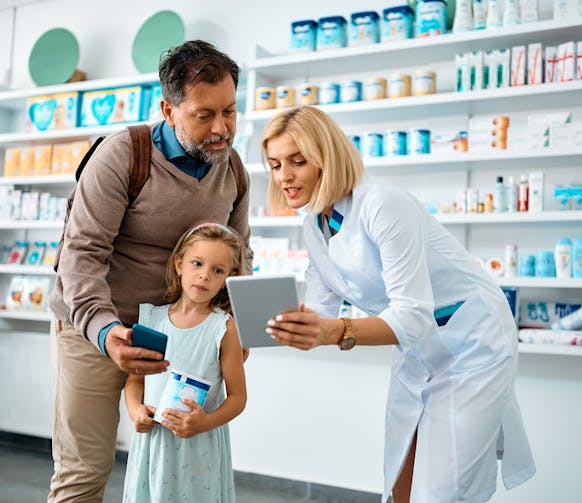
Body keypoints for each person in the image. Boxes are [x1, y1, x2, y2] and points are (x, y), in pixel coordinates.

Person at [261, 106, 535, 503]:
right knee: (400, 479)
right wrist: (280, 324)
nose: (283, 176)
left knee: (443, 491)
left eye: (297, 161)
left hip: (473, 343)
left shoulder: (383, 204)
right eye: (274, 164)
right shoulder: (314, 225)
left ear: (327, 158)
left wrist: (334, 333)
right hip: (417, 348)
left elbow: (410, 312)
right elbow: (321, 315)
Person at [48, 40, 252, 503]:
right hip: (94, 326)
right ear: (168, 108)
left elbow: (240, 258)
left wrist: (239, 331)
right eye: (204, 115)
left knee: (173, 470)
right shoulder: (123, 155)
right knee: (83, 473)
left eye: (231, 111)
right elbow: (81, 256)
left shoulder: (233, 169)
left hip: (176, 334)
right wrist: (106, 333)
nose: (221, 128)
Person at [122, 222, 247, 502]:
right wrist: (135, 411)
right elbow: (134, 380)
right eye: (197, 263)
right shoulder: (151, 319)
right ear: (179, 264)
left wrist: (204, 423)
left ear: (229, 277)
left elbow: (238, 397)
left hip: (199, 446)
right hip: (154, 444)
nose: (204, 276)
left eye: (217, 270)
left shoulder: (224, 329)